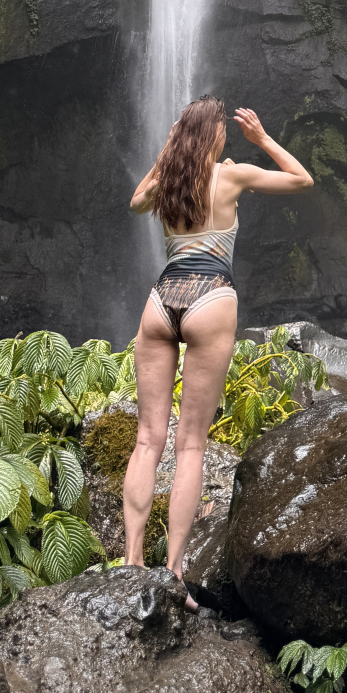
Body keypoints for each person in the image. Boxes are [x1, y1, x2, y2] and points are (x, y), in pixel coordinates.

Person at [123, 95, 313, 598]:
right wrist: (262, 139)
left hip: (162, 300)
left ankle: (131, 559)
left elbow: (136, 201)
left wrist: (167, 150)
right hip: (210, 297)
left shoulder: (169, 180)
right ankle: (175, 572)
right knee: (190, 444)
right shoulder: (230, 176)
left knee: (147, 440)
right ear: (215, 137)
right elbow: (301, 179)